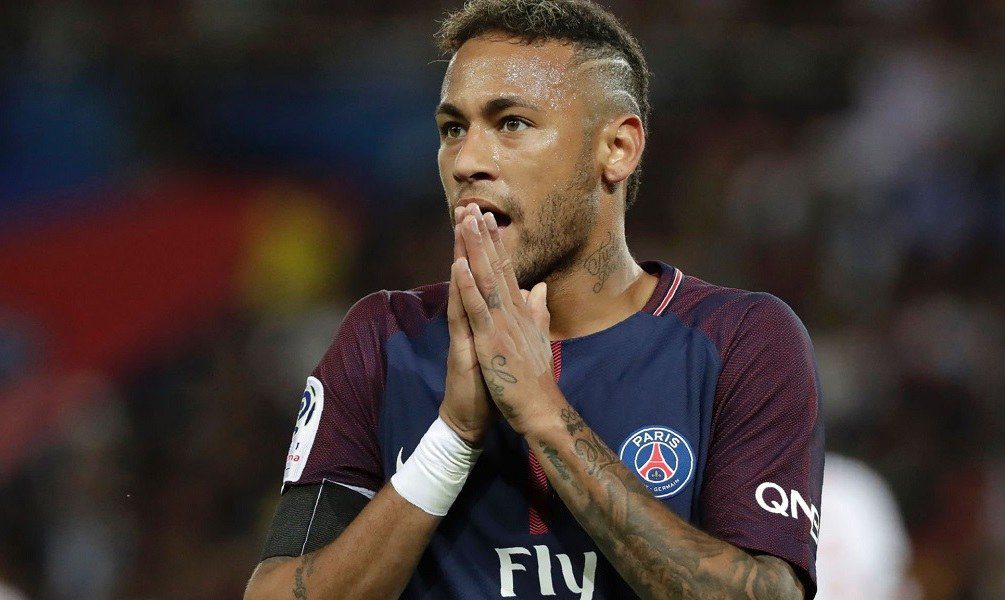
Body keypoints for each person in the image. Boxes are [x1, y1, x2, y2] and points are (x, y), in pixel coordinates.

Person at [245, 1, 824, 598]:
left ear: (617, 148)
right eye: (453, 129)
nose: (467, 162)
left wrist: (543, 412)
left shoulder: (739, 341)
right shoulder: (388, 339)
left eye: (512, 123)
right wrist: (451, 439)